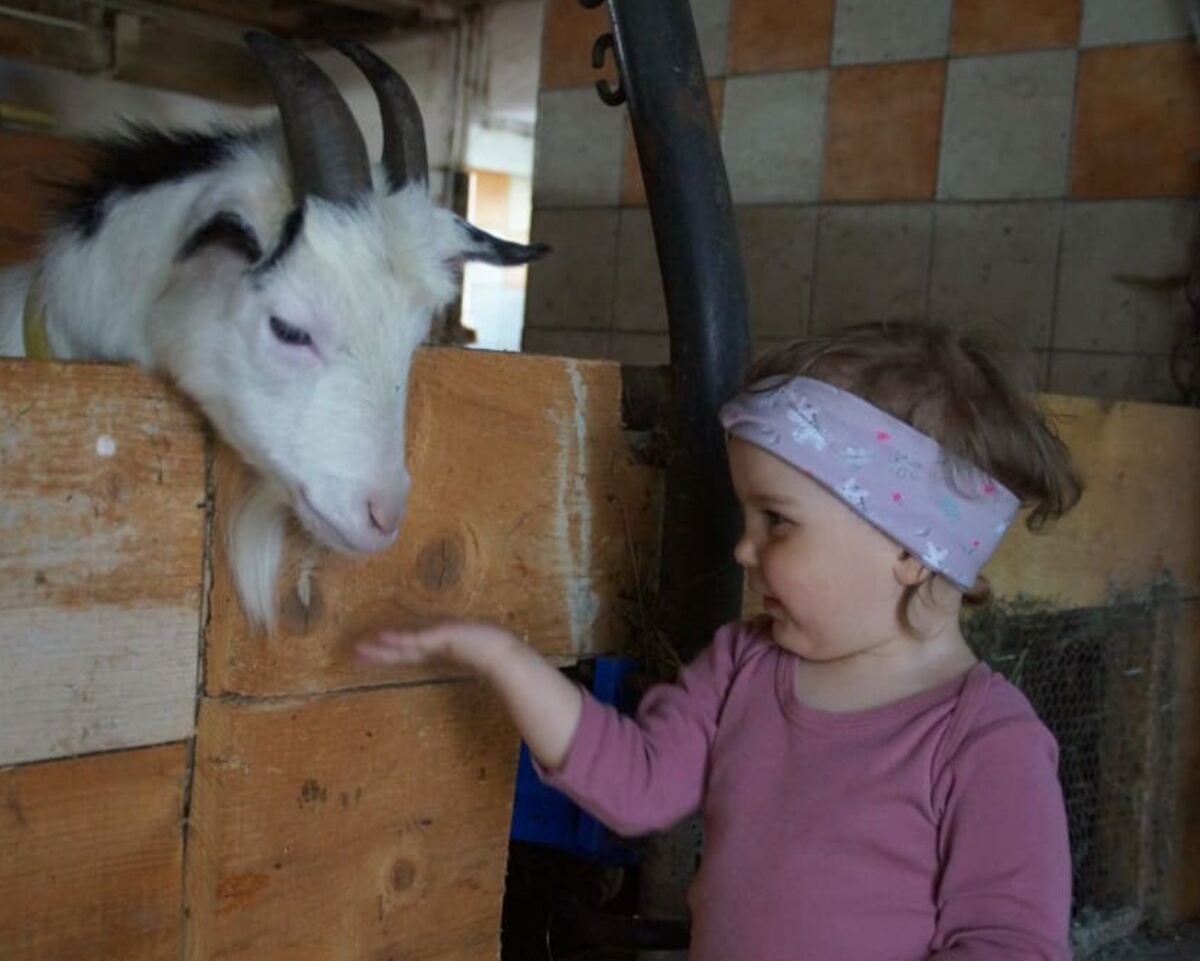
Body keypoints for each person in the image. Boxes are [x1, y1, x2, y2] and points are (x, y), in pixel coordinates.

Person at [357, 320, 1083, 961]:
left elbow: (1010, 943)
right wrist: (507, 659)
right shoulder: (744, 666)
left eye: (778, 521)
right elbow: (637, 785)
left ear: (911, 548)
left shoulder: (986, 742)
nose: (744, 548)